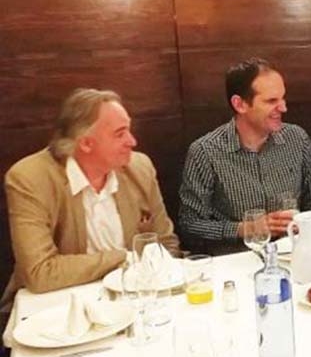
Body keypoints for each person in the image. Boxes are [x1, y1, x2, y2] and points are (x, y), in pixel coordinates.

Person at [2, 89, 179, 304]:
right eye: (120, 133)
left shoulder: (139, 167)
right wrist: (122, 258)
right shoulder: (30, 179)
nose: (132, 141)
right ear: (86, 143)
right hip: (56, 307)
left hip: (136, 299)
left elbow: (166, 245)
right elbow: (40, 272)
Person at [179, 58, 311, 251]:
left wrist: (308, 224)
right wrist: (245, 228)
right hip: (236, 260)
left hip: (295, 251)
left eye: (282, 98)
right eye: (272, 101)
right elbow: (189, 225)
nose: (283, 108)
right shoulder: (205, 152)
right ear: (240, 104)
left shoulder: (297, 138)